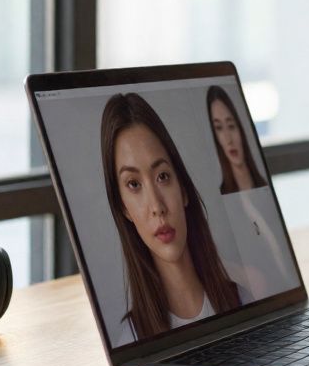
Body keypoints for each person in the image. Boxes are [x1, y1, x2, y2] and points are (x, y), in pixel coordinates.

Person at [101, 92, 246, 343]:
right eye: (134, 184)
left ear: (183, 190)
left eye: (163, 176)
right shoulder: (131, 341)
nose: (157, 206)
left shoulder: (243, 299)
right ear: (124, 208)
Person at [206, 85, 267, 194]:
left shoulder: (264, 187)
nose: (228, 139)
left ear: (240, 129)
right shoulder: (222, 195)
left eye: (231, 126)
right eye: (219, 128)